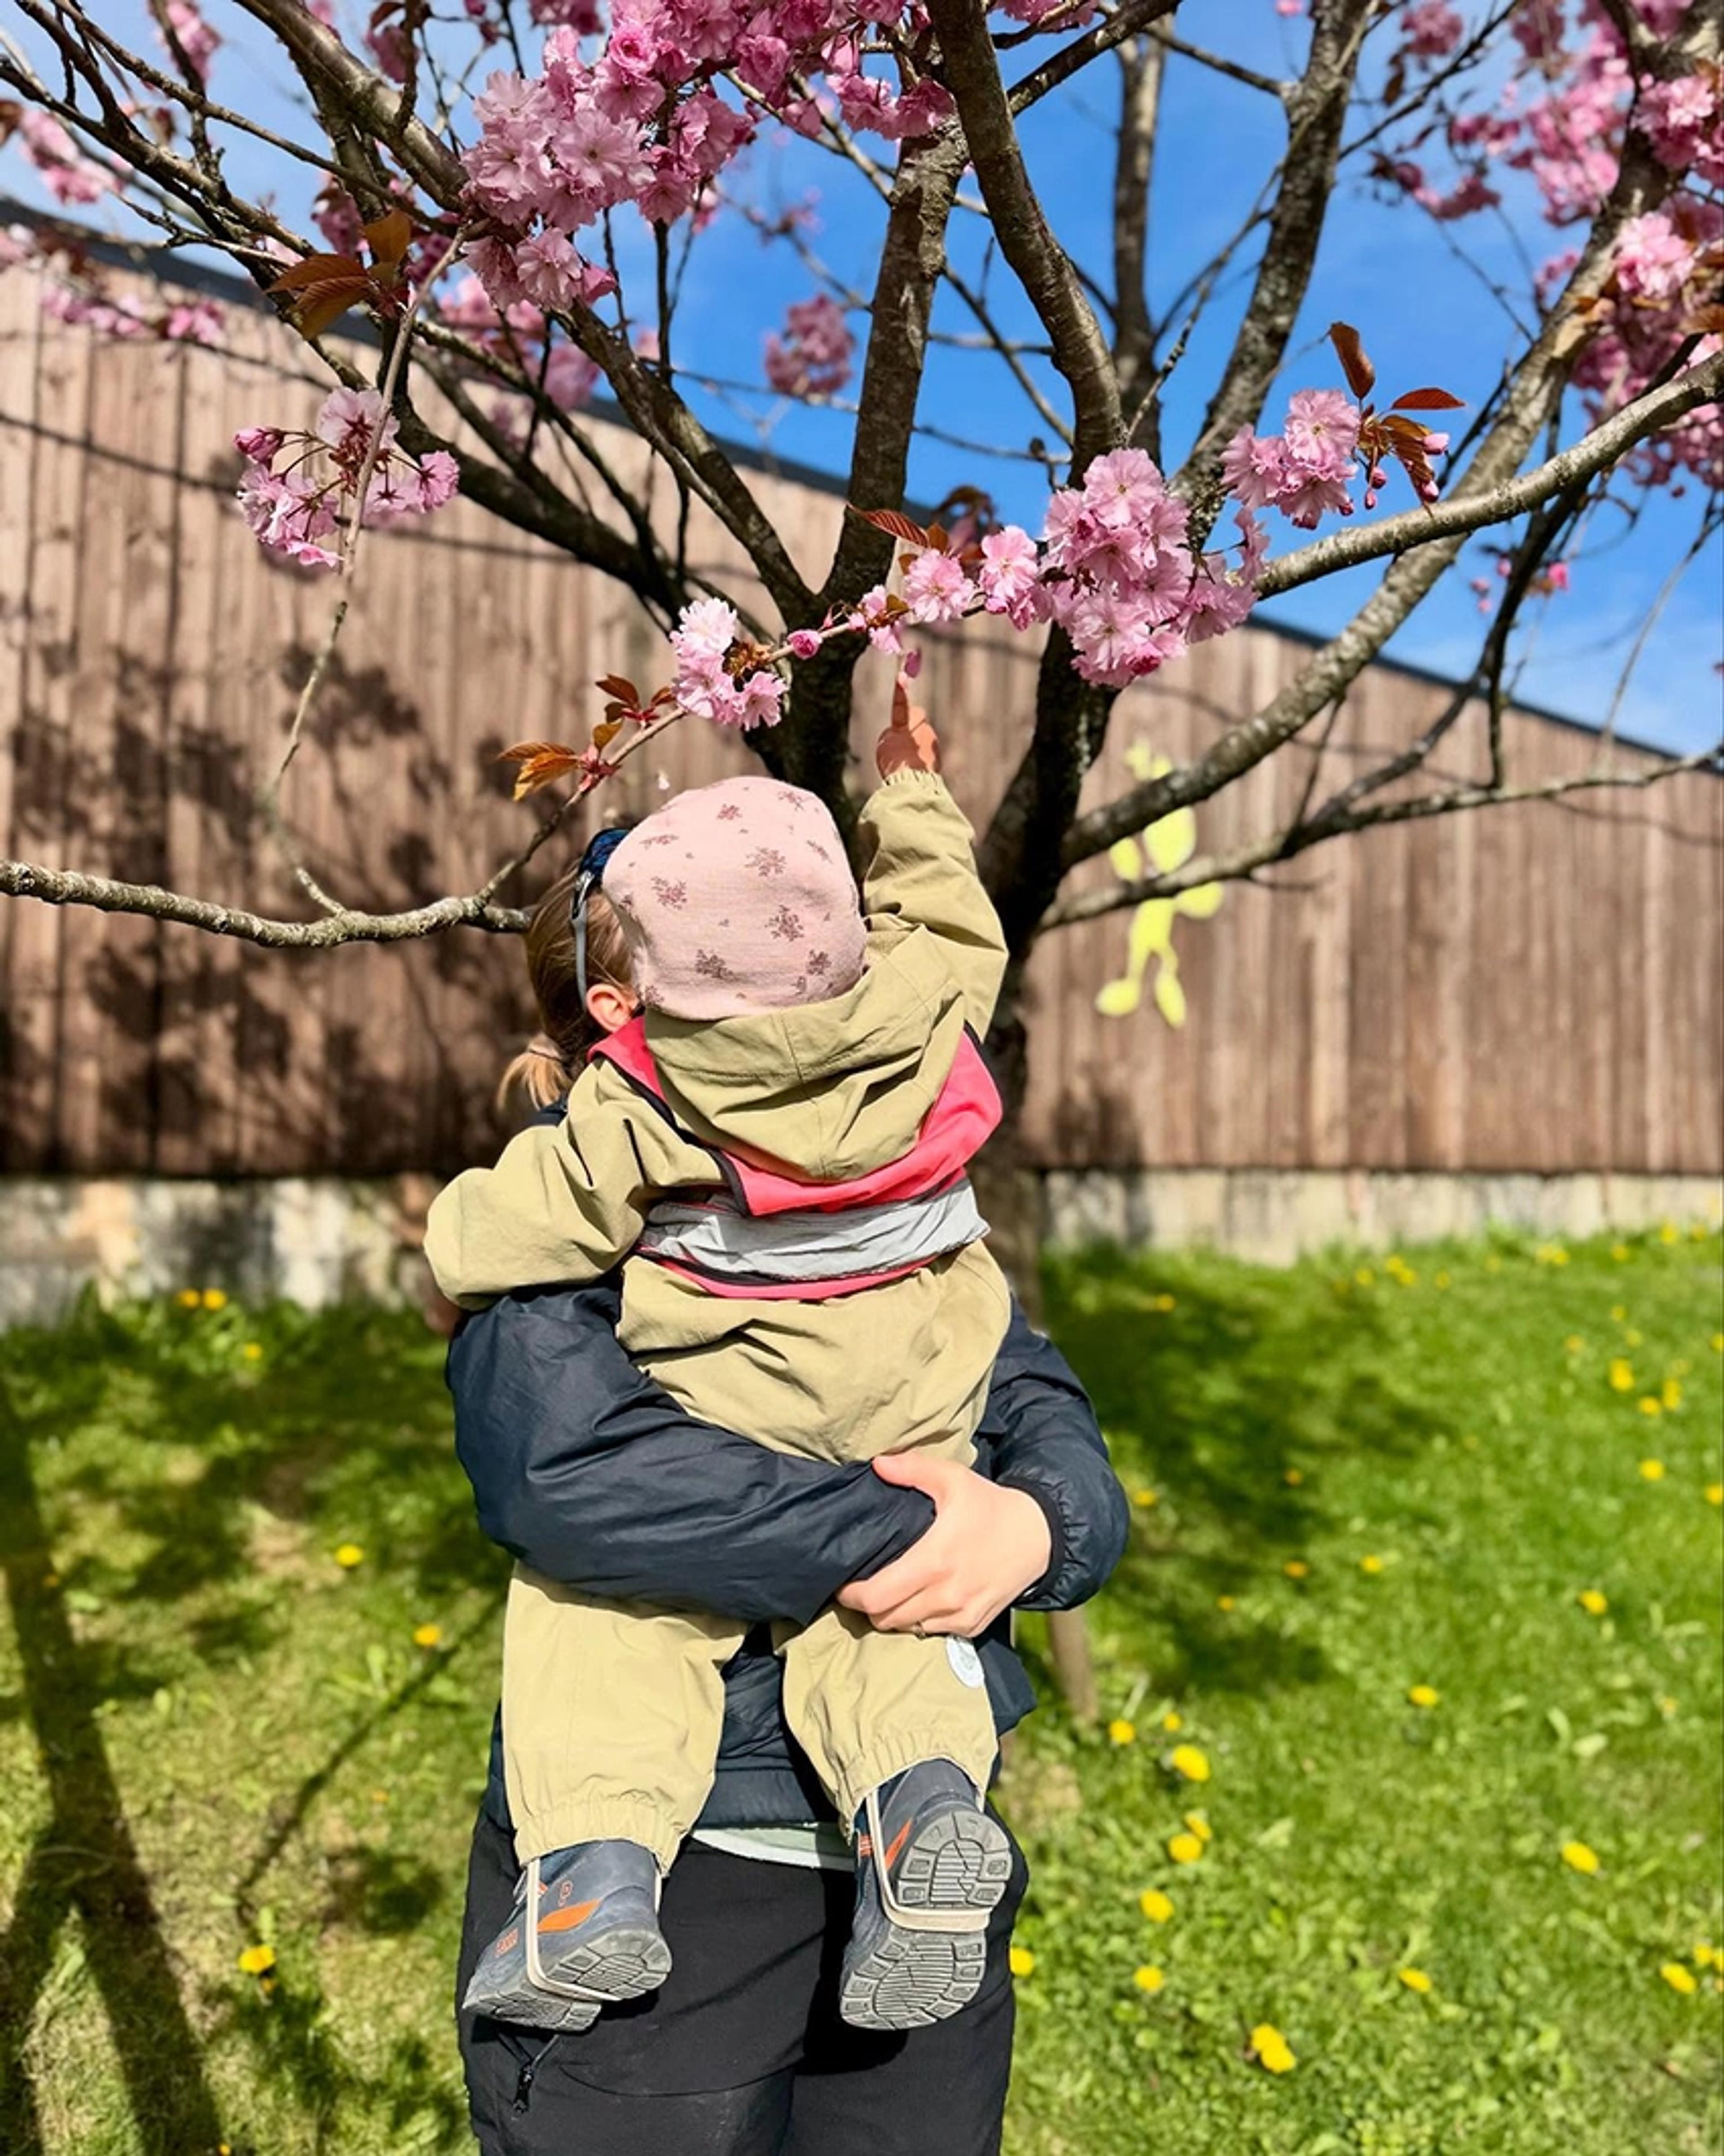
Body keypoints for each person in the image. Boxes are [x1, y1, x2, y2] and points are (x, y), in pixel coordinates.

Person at [427, 686, 1034, 2033]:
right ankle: (925, 1809)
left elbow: (520, 1227)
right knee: (897, 1604)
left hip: (728, 1402)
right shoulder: (929, 1005)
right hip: (918, 1392)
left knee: (607, 1615)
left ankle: (594, 1873)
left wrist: (444, 1242)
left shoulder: (649, 1093)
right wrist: (911, 789)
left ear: (617, 1000)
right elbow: (949, 909)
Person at [448, 1267, 1127, 2155]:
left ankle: (907, 1838)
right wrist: (919, 1533)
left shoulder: (901, 1202)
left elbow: (1017, 1370)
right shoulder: (594, 1213)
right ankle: (611, 1868)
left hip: (911, 1862)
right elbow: (565, 1469)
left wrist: (1045, 1521)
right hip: (690, 1872)